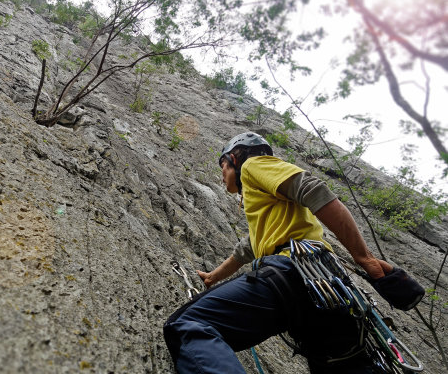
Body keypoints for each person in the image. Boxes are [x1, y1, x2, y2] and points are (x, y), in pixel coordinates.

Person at [163, 132, 423, 374]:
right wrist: (213, 277)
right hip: (327, 292)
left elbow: (313, 190)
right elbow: (248, 248)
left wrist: (363, 257)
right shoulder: (270, 212)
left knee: (189, 324)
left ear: (234, 157)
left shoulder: (254, 165)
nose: (222, 175)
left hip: (293, 274)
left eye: (222, 166)